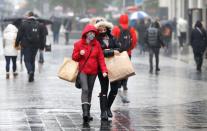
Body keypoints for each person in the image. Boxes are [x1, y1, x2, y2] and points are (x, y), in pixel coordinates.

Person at [72, 24, 108, 123]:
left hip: (93, 72)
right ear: (86, 33)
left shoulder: (96, 44)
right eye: (90, 33)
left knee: (90, 91)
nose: (92, 35)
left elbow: (101, 58)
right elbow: (74, 57)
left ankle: (87, 113)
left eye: (93, 33)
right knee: (85, 89)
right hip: (83, 71)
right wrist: (80, 53)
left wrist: (104, 71)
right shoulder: (78, 44)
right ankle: (85, 113)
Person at [94, 18, 121, 121]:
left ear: (107, 27)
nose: (102, 30)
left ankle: (108, 107)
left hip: (114, 67)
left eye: (103, 28)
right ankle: (103, 112)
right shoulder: (95, 40)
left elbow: (119, 48)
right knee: (104, 89)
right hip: (101, 68)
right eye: (100, 28)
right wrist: (112, 52)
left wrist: (111, 51)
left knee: (114, 89)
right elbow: (98, 52)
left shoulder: (113, 38)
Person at [15, 11, 44, 82]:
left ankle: (30, 71)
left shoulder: (24, 24)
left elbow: (19, 35)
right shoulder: (39, 24)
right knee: (32, 60)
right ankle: (32, 76)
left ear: (28, 16)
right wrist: (42, 46)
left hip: (26, 45)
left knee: (26, 60)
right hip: (36, 45)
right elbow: (42, 37)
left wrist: (16, 43)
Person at [112, 14, 137, 91]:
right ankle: (125, 84)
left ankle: (119, 84)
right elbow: (134, 41)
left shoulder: (116, 29)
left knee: (119, 68)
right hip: (127, 53)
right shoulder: (131, 29)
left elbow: (112, 40)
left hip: (118, 53)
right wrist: (130, 49)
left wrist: (114, 50)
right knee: (126, 69)